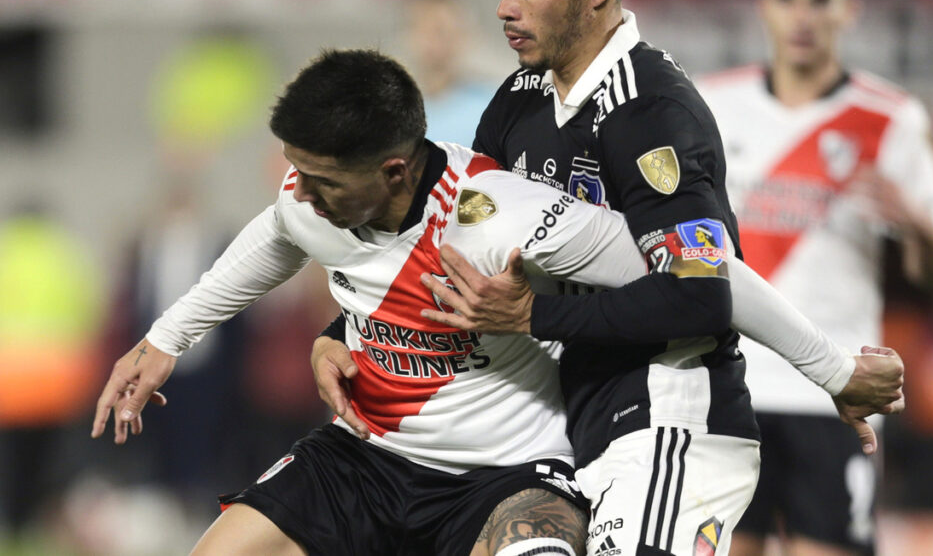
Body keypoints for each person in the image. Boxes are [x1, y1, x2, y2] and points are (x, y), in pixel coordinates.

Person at [310, 0, 906, 556]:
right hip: (565, 424)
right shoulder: (518, 99)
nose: (504, 7)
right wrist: (344, 329)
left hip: (668, 418)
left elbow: (701, 290)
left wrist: (534, 315)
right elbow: (449, 238)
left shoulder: (654, 115)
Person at [92, 47, 672, 556]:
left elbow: (673, 274)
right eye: (298, 171)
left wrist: (538, 315)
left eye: (323, 180)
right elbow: (277, 235)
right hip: (363, 462)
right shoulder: (309, 203)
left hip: (504, 477)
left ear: (392, 172)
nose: (303, 193)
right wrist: (167, 339)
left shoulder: (498, 213)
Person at [694, 0, 933, 555]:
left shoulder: (891, 118)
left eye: (820, 0)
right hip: (729, 383)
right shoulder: (712, 102)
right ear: (763, 5)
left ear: (849, 10)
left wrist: (920, 227)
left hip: (837, 387)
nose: (802, 17)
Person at [401, 0, 498, 146]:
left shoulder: (492, 108)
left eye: (441, 30)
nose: (431, 40)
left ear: (464, 36)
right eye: (423, 28)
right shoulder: (390, 108)